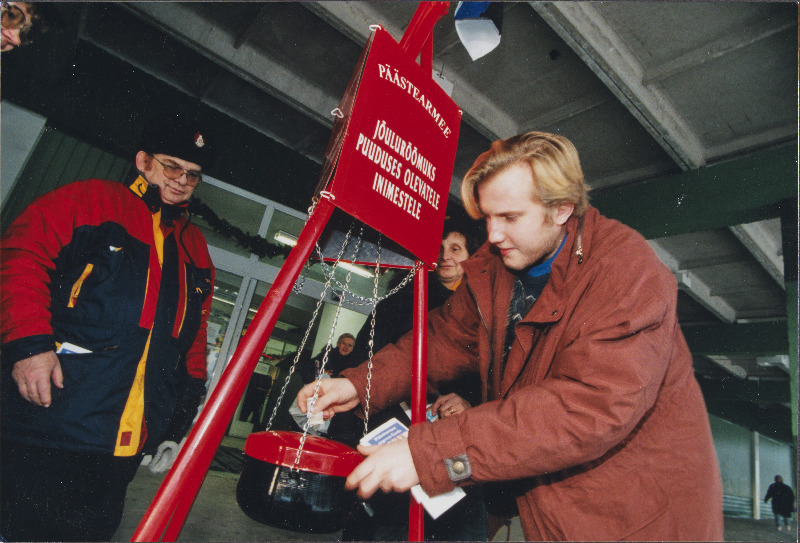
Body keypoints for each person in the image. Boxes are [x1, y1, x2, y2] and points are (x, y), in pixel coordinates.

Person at [298, 131, 724, 541]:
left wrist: (429, 453)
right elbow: (443, 339)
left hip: (635, 516)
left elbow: (584, 408)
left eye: (510, 217)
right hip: (553, 499)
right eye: (488, 218)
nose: (494, 235)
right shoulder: (497, 268)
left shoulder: (627, 275)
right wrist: (358, 383)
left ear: (561, 209)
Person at [0, 114, 215, 542]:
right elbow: (21, 254)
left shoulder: (194, 247)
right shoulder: (92, 201)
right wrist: (28, 346)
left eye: (192, 175)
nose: (182, 180)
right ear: (143, 161)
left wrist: (177, 424)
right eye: (172, 166)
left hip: (123, 446)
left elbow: (193, 341)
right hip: (52, 423)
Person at [345, 221, 487, 542]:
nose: (445, 257)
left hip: (455, 445)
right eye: (439, 249)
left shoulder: (483, 311)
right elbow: (372, 364)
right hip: (394, 433)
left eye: (455, 249)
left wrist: (469, 404)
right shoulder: (403, 301)